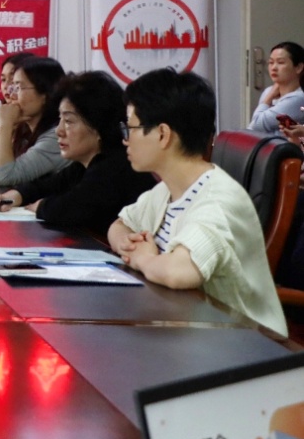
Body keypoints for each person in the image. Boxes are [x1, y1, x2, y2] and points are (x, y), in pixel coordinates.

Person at [110, 68, 288, 336]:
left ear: (162, 134)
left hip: (247, 343)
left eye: (130, 128)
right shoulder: (169, 189)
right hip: (191, 328)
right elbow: (120, 225)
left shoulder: (218, 200)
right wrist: (128, 243)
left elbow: (178, 272)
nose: (125, 140)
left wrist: (143, 258)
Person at [0, 71, 155, 232]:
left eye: (68, 121)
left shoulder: (114, 167)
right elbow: (44, 186)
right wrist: (9, 197)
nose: (59, 131)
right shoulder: (82, 165)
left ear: (98, 127)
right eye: (59, 120)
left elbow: (68, 208)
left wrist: (41, 206)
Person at [0, 55, 65, 188]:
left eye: (19, 87)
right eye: (12, 86)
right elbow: (13, 161)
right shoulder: (31, 128)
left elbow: (4, 176)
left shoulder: (56, 136)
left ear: (45, 95)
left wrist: (5, 125)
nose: (12, 94)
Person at [249, 41, 304, 133]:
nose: (273, 67)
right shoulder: (269, 91)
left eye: (280, 62)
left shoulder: (299, 99)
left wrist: (268, 99)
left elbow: (257, 126)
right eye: (271, 62)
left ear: (299, 67)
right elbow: (253, 127)